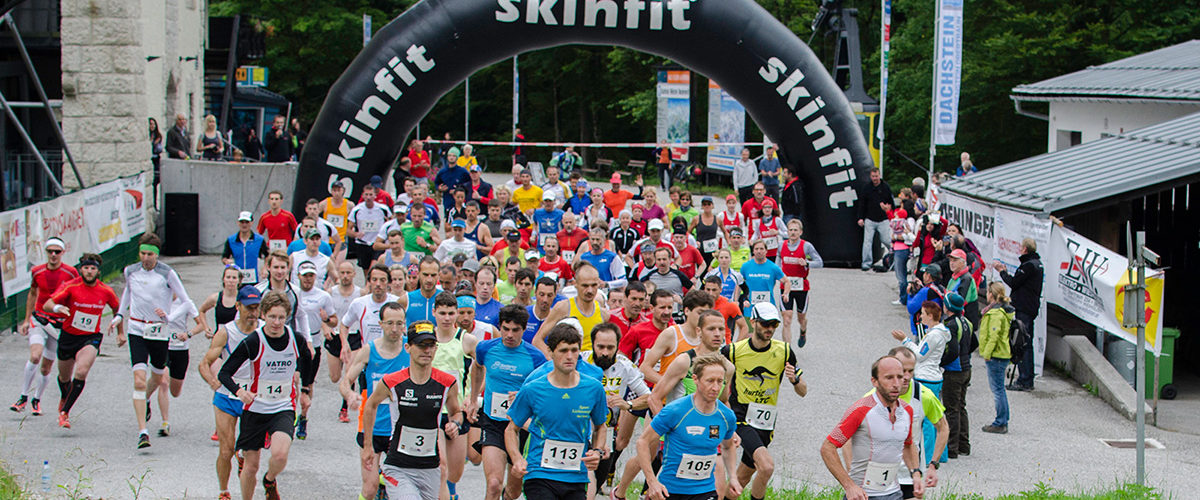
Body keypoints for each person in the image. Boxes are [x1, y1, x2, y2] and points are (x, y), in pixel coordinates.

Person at [218, 291, 314, 500]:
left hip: (283, 407)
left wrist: (305, 389)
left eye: (281, 317)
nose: (276, 323)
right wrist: (239, 391)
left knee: (280, 455)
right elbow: (224, 373)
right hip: (255, 409)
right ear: (263, 315)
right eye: (272, 317)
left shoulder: (295, 339)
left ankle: (270, 479)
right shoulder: (254, 341)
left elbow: (309, 359)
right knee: (250, 467)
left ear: (287, 317)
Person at [504, 323, 609, 500]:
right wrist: (517, 459)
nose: (569, 356)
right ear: (551, 353)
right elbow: (511, 429)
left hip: (575, 474)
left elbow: (601, 427)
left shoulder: (594, 388)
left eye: (574, 350)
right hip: (539, 473)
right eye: (563, 350)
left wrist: (597, 451)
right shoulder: (533, 389)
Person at [359, 320, 460, 500]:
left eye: (431, 346)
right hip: (398, 465)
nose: (427, 351)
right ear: (408, 347)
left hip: (430, 467)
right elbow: (370, 405)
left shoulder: (447, 383)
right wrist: (368, 446)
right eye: (421, 345)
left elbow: (455, 412)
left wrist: (455, 424)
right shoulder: (392, 382)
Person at [723, 303, 807, 500]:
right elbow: (717, 382)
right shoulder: (733, 351)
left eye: (774, 325)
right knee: (767, 466)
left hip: (765, 421)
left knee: (742, 478)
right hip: (741, 417)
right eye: (765, 324)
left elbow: (803, 391)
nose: (770, 329)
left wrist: (795, 380)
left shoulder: (784, 351)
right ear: (753, 322)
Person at [119, 234, 192, 448]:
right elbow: (127, 294)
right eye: (142, 253)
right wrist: (118, 316)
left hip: (158, 330)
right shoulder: (130, 271)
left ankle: (145, 399)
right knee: (139, 380)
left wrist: (169, 318)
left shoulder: (167, 273)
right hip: (136, 328)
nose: (146, 258)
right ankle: (143, 432)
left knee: (159, 378)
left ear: (157, 254)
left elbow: (186, 302)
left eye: (150, 254)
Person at [846, 347, 947, 500]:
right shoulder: (869, 400)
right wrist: (851, 478)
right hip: (875, 477)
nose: (906, 377)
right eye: (902, 370)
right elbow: (846, 438)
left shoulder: (924, 396)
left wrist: (933, 465)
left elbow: (943, 428)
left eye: (910, 371)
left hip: (909, 476)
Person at [635, 353, 740, 500]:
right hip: (671, 490)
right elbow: (642, 442)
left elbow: (728, 447)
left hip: (705, 490)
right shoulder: (675, 411)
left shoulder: (726, 416)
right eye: (710, 381)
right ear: (695, 379)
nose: (716, 387)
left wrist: (733, 477)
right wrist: (652, 482)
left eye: (720, 381)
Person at [821, 356, 924, 500]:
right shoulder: (861, 409)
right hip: (863, 495)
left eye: (899, 377)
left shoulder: (907, 411)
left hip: (894, 493)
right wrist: (849, 486)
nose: (896, 383)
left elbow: (908, 445)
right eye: (889, 378)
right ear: (874, 381)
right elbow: (828, 447)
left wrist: (916, 474)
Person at [198, 285, 262, 500]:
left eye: (256, 307)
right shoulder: (226, 331)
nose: (253, 312)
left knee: (249, 452)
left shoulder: (264, 330)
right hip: (227, 395)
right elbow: (204, 363)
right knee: (226, 449)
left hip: (253, 398)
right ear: (238, 306)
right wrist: (212, 382)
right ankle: (223, 492)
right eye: (248, 307)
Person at [46, 253, 123, 429]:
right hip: (68, 336)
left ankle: (65, 412)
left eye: (93, 268)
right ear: (81, 269)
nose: (89, 272)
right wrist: (57, 307)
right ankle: (64, 396)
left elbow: (118, 309)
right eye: (86, 268)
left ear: (98, 271)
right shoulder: (70, 287)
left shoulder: (106, 291)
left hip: (90, 338)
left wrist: (120, 332)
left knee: (81, 372)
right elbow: (47, 304)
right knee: (64, 377)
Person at [341, 302, 410, 499]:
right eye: (390, 323)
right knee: (369, 489)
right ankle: (379, 481)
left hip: (400, 429)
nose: (395, 329)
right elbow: (346, 381)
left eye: (399, 323)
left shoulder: (410, 350)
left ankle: (384, 480)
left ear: (405, 324)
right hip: (372, 428)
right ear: (380, 324)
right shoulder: (369, 351)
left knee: (402, 489)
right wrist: (350, 395)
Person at [11, 238, 78, 416]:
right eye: (50, 251)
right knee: (35, 355)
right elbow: (32, 293)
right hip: (39, 320)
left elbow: (76, 295)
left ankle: (36, 399)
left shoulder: (71, 273)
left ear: (63, 253)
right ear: (46, 253)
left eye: (57, 251)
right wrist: (26, 320)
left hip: (58, 326)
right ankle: (23, 397)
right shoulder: (37, 271)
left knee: (46, 367)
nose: (53, 255)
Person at [585, 322, 652, 493]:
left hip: (606, 431)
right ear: (592, 344)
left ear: (617, 346)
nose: (605, 352)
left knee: (599, 478)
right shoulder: (581, 360)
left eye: (610, 347)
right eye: (600, 347)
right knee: (583, 479)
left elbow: (649, 397)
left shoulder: (625, 365)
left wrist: (627, 404)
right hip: (579, 428)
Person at [891, 300, 952, 465]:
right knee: (937, 416)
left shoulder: (933, 335)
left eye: (923, 314)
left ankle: (929, 456)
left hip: (927, 377)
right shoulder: (936, 332)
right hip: (934, 376)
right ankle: (942, 453)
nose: (921, 317)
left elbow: (919, 355)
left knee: (927, 419)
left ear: (930, 316)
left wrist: (905, 340)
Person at [429, 292, 478, 497]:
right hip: (431, 409)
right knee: (440, 466)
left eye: (451, 313)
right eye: (442, 313)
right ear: (434, 313)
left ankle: (451, 493)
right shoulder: (426, 339)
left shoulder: (467, 340)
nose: (447, 318)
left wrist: (472, 397)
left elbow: (481, 368)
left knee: (455, 472)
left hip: (457, 410)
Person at [293, 261, 338, 438]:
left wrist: (327, 319)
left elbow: (334, 321)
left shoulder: (323, 296)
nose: (308, 279)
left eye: (311, 275)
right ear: (299, 277)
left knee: (307, 383)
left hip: (314, 344)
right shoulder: (292, 293)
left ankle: (303, 417)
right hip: (294, 342)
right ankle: (287, 413)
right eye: (305, 276)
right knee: (292, 379)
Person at [993, 238, 1043, 392]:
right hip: (1030, 306)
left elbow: (1014, 283)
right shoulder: (1037, 263)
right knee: (1026, 341)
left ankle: (1025, 379)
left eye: (1021, 247)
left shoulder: (1029, 265)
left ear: (1025, 249)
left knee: (1023, 342)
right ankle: (1026, 376)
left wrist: (1002, 272)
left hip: (1024, 308)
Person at [154, 294, 203, 437]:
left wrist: (189, 334)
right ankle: (165, 422)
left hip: (180, 349)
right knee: (163, 382)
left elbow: (201, 325)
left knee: (175, 392)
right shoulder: (158, 300)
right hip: (162, 346)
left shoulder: (186, 302)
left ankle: (146, 397)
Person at [532, 263, 609, 353]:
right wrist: (554, 359)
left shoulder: (603, 314)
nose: (590, 290)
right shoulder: (563, 308)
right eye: (585, 286)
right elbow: (537, 340)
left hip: (590, 366)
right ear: (575, 284)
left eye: (594, 285)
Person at [777, 219, 822, 348]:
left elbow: (820, 262)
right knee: (786, 319)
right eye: (790, 230)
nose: (792, 232)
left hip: (802, 287)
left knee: (800, 318)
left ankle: (803, 330)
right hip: (786, 287)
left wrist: (807, 263)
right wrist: (778, 274)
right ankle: (787, 350)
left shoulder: (806, 246)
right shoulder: (781, 245)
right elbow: (778, 261)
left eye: (795, 230)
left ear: (800, 232)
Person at [940, 292, 974, 459]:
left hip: (954, 371)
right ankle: (963, 444)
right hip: (967, 368)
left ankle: (951, 448)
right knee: (961, 406)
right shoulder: (967, 322)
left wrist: (942, 362)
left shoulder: (951, 325)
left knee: (951, 409)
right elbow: (975, 343)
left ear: (948, 307)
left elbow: (952, 350)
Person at [978, 282, 1013, 434]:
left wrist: (987, 353)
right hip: (1001, 354)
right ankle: (1003, 419)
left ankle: (1000, 421)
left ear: (991, 294)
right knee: (999, 389)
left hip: (996, 355)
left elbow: (994, 335)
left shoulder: (995, 314)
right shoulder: (1001, 311)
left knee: (998, 390)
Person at [738, 240, 789, 338]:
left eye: (761, 249)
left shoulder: (773, 267)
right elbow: (739, 284)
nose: (759, 251)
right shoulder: (746, 267)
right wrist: (738, 300)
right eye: (756, 249)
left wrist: (786, 293)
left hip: (767, 306)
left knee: (765, 334)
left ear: (766, 251)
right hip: (750, 306)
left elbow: (786, 281)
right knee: (750, 335)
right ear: (753, 251)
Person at [348, 184, 393, 272]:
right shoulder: (357, 210)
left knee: (373, 268)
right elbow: (347, 230)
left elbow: (392, 223)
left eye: (371, 195)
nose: (368, 197)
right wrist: (355, 234)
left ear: (375, 196)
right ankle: (368, 285)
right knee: (366, 271)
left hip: (377, 243)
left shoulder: (383, 209)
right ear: (363, 195)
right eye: (366, 195)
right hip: (362, 243)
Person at [857, 168, 894, 270]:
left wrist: (888, 209)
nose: (875, 178)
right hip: (870, 219)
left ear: (879, 175)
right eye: (873, 176)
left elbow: (891, 203)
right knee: (867, 241)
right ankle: (866, 263)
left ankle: (894, 257)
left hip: (883, 219)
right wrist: (860, 218)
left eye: (876, 176)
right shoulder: (867, 188)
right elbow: (862, 204)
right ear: (870, 176)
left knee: (886, 240)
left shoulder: (885, 187)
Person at [197, 265, 244, 338]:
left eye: (234, 278)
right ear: (223, 279)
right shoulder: (215, 298)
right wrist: (206, 328)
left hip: (237, 338)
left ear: (239, 281)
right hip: (219, 338)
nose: (231, 280)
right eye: (228, 277)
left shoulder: (243, 298)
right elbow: (201, 311)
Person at [223, 211, 269, 284]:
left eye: (247, 222)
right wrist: (227, 262)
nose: (244, 225)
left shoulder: (259, 240)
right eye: (242, 222)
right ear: (238, 223)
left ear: (251, 223)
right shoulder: (231, 240)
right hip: (237, 279)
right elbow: (224, 257)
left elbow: (268, 256)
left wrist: (265, 268)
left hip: (254, 279)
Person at [701, 275, 749, 342]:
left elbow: (744, 327)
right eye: (708, 290)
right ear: (704, 289)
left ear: (720, 290)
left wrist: (735, 346)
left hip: (723, 348)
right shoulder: (699, 304)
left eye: (714, 290)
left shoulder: (729, 305)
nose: (711, 293)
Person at [905, 264, 945, 337]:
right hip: (936, 324)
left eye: (924, 273)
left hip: (924, 329)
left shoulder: (926, 291)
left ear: (928, 276)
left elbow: (911, 308)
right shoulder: (940, 288)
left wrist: (910, 294)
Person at [320, 181, 355, 260]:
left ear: (343, 191)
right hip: (327, 239)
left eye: (339, 190)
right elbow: (314, 214)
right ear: (331, 191)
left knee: (337, 266)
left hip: (341, 238)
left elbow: (354, 218)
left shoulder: (349, 205)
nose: (336, 193)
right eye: (334, 190)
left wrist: (350, 228)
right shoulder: (325, 203)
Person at [889, 208, 916, 306]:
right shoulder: (905, 223)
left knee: (901, 275)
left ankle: (903, 298)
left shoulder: (900, 224)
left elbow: (904, 235)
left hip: (900, 249)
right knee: (902, 273)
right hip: (902, 249)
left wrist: (895, 237)